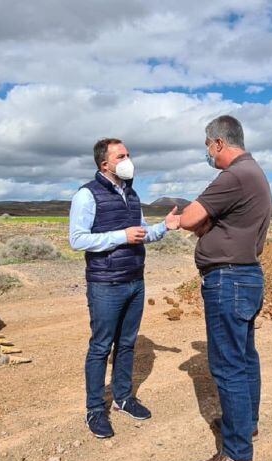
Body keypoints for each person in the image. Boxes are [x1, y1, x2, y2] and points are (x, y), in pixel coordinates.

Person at [178, 115, 272, 461]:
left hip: (228, 280)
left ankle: (236, 455)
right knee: (245, 359)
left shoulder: (233, 176)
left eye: (207, 144)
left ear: (219, 142)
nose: (207, 151)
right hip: (245, 277)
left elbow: (190, 218)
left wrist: (191, 222)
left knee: (229, 366)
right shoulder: (254, 173)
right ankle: (244, 426)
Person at [69, 138, 181, 439]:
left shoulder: (132, 194)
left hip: (135, 280)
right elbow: (77, 239)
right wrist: (121, 235)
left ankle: (122, 398)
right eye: (121, 155)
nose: (128, 159)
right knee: (100, 347)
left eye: (128, 154)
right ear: (104, 164)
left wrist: (164, 228)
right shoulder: (86, 195)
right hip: (106, 283)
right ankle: (95, 410)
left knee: (127, 344)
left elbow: (140, 234)